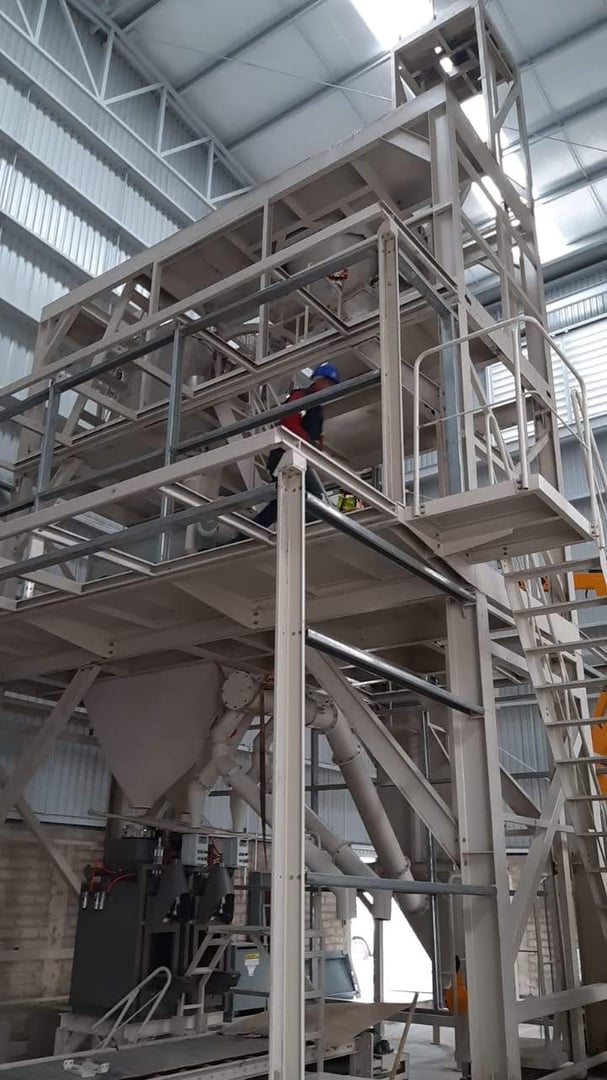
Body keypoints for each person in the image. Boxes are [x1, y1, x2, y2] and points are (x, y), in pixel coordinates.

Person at [254, 362, 340, 529]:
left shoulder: (317, 409)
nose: (329, 388)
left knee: (281, 503)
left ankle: (247, 534)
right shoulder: (303, 396)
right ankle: (305, 534)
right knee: (313, 498)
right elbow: (288, 421)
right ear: (318, 380)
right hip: (286, 457)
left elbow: (316, 437)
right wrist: (309, 442)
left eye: (332, 385)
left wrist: (316, 445)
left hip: (298, 458)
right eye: (328, 383)